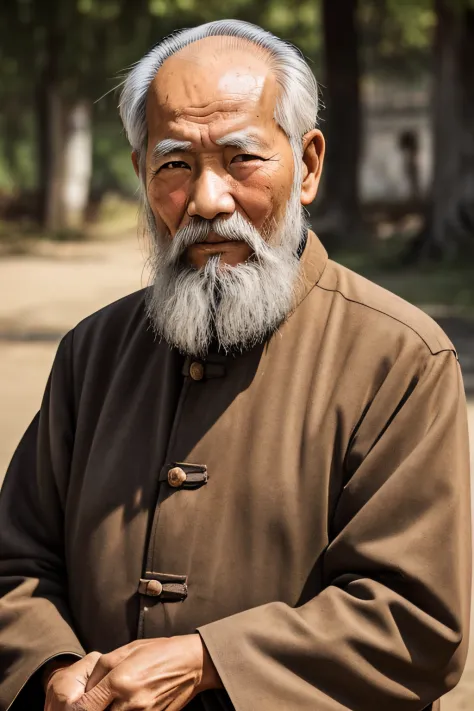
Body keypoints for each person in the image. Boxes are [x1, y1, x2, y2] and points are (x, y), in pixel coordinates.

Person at [0, 19, 471, 711]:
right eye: (174, 164)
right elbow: (17, 565)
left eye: (241, 158)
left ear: (307, 165)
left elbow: (415, 620)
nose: (207, 201)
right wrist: (52, 669)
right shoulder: (93, 354)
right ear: (141, 175)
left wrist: (205, 661)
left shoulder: (398, 358)